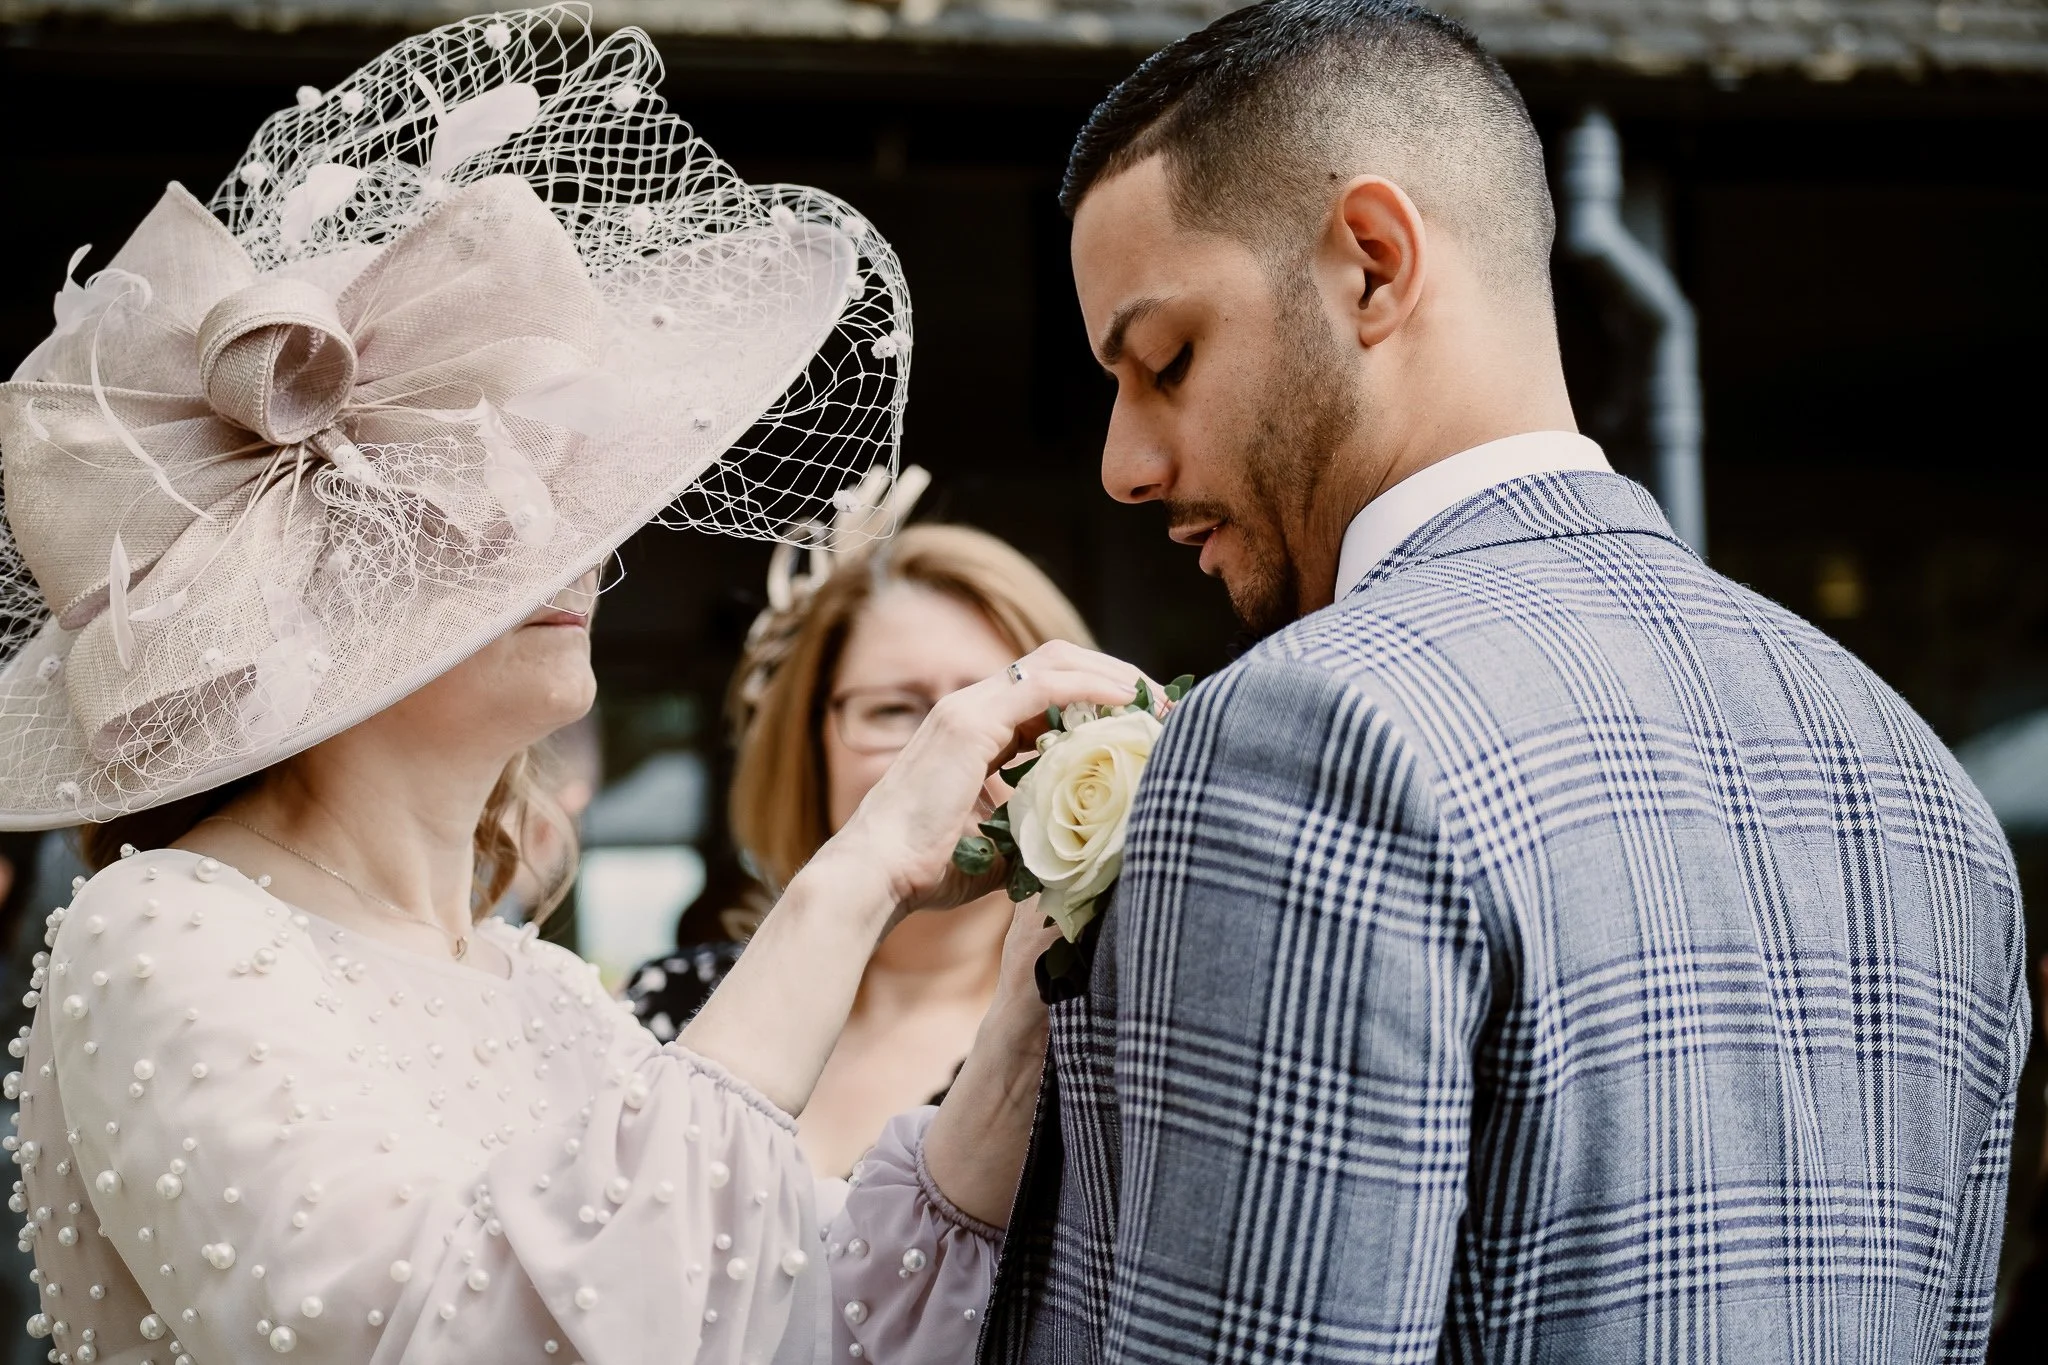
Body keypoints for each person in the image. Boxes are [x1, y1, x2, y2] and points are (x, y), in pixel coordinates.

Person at [0, 10, 1149, 1363]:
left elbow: (802, 1325)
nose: (576, 544)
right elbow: (474, 1333)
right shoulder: (160, 927)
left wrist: (1033, 990)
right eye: (487, 502)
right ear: (304, 595)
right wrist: (856, 877)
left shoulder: (543, 993)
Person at [978, 3, 2031, 1362]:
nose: (1125, 462)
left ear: (1372, 261)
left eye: (1167, 360)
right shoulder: (1923, 786)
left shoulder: (1310, 732)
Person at [627, 468, 1096, 1176]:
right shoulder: (673, 1008)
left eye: (997, 706)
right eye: (891, 709)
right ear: (809, 745)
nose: (949, 745)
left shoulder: (1095, 1036)